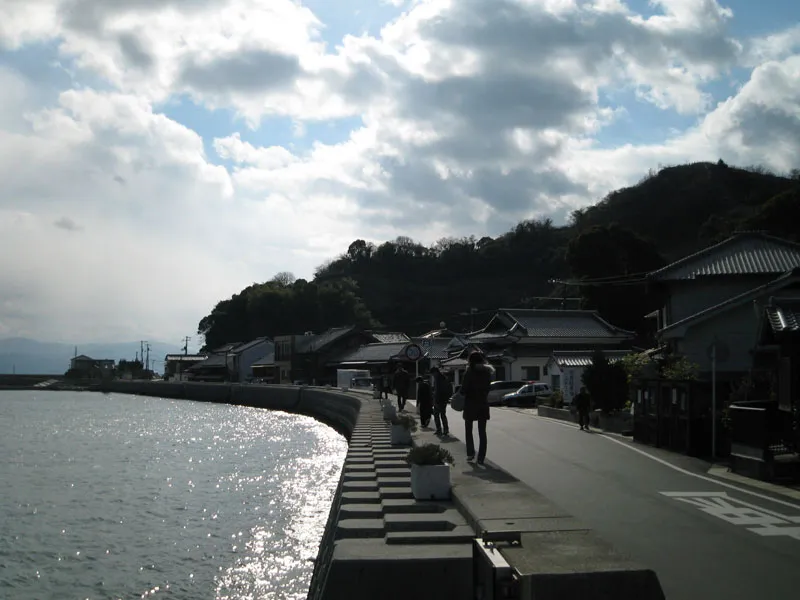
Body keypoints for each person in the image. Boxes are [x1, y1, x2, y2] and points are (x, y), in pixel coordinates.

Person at [461, 351, 493, 464]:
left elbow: (463, 389)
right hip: (483, 404)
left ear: (470, 361)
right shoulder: (487, 372)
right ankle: (481, 457)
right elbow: (488, 388)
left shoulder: (469, 372)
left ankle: (470, 453)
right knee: (482, 432)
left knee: (468, 430)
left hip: (470, 404)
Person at [430, 367, 451, 436]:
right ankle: (445, 429)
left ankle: (439, 430)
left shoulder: (438, 379)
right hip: (443, 400)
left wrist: (436, 400)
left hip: (439, 400)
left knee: (437, 415)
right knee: (442, 415)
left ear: (435, 372)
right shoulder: (443, 378)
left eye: (433, 374)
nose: (433, 375)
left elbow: (438, 391)